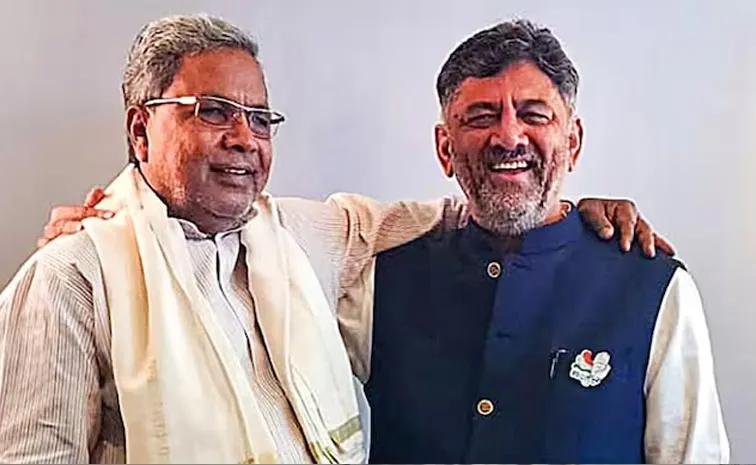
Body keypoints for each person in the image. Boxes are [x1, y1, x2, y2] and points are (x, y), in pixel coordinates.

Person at [11, 14, 669, 465]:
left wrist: (576, 212)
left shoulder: (302, 237)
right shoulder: (74, 276)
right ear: (140, 131)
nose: (243, 139)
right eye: (212, 112)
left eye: (259, 118)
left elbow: (483, 203)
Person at [332, 19, 729, 464]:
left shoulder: (654, 289)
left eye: (534, 114)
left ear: (573, 142)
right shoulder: (377, 283)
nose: (509, 137)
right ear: (445, 148)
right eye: (482, 117)